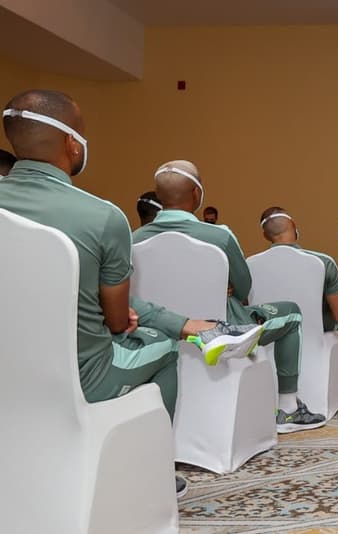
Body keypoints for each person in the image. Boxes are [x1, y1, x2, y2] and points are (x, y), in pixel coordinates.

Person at [0, 90, 262, 498]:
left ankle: (193, 327)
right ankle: (156, 473)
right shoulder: (101, 217)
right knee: (164, 349)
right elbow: (117, 321)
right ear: (72, 143)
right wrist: (123, 316)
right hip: (81, 377)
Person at [134, 161, 326, 433]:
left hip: (161, 334)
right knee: (292, 312)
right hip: (221, 334)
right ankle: (289, 408)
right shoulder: (219, 237)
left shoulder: (133, 239)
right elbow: (244, 288)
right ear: (197, 194)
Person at [259, 207, 338, 340]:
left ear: (265, 235)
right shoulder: (322, 262)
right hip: (313, 338)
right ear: (293, 225)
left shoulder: (251, 264)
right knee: (337, 311)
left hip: (270, 338)